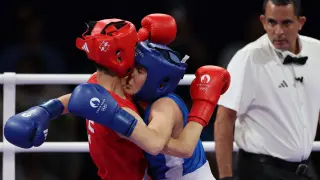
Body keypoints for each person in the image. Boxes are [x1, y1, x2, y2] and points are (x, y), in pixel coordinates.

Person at [4, 17, 150, 180]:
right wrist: (46, 110)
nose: (138, 53)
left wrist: (48, 109)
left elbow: (154, 144)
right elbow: (156, 144)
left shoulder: (106, 92)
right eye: (135, 47)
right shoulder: (106, 94)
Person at [68, 39, 230, 179]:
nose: (129, 74)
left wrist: (125, 127)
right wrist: (49, 109)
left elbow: (173, 146)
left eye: (139, 71)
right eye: (132, 67)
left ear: (156, 80)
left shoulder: (163, 106)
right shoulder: (139, 99)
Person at [214, 0, 320, 180]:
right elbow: (224, 119)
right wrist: (225, 177)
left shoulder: (316, 51)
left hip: (303, 170)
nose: (278, 31)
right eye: (272, 22)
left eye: (286, 23)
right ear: (263, 21)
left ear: (300, 23)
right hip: (260, 171)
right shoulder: (248, 58)